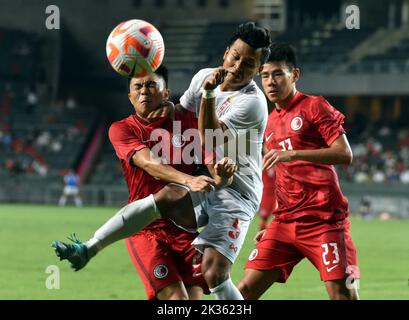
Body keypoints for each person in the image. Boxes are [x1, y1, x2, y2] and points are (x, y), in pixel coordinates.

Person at [52, 21, 271, 300]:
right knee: (172, 192)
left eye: (249, 63)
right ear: (226, 52)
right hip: (206, 183)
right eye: (236, 56)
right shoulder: (203, 76)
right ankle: (90, 247)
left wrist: (207, 94)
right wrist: (166, 107)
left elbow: (210, 135)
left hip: (236, 193)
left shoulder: (252, 102)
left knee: (214, 272)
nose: (239, 66)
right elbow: (182, 115)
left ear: (257, 70)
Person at [53, 65, 235, 300]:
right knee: (177, 301)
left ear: (166, 93)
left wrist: (225, 175)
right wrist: (189, 180)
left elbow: (215, 172)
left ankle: (91, 247)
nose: (144, 92)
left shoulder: (189, 122)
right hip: (147, 229)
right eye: (137, 87)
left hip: (187, 229)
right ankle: (92, 247)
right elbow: (150, 164)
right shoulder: (123, 129)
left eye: (151, 85)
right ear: (129, 96)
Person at [238, 43, 360, 300]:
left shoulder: (314, 106)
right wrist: (273, 223)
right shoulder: (269, 122)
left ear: (295, 75)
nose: (271, 82)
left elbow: (344, 153)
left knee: (342, 295)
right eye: (265, 75)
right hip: (285, 223)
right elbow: (285, 178)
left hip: (324, 222)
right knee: (244, 291)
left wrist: (293, 153)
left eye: (278, 74)